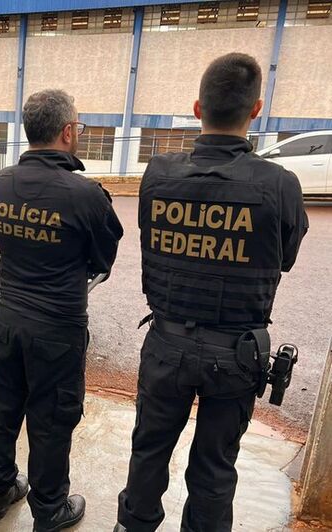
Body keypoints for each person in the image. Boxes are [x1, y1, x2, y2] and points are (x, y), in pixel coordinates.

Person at [114, 53, 308, 532]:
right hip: (236, 353)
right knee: (216, 467)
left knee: (148, 451)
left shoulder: (157, 174)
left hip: (166, 344)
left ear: (198, 109)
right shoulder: (280, 185)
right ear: (256, 110)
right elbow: (284, 257)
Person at [0, 89, 124, 531]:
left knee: (3, 407)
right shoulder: (86, 195)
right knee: (52, 420)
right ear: (66, 132)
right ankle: (49, 508)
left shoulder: (2, 182)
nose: (78, 133)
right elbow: (103, 261)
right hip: (57, 328)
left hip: (8, 323)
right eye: (78, 127)